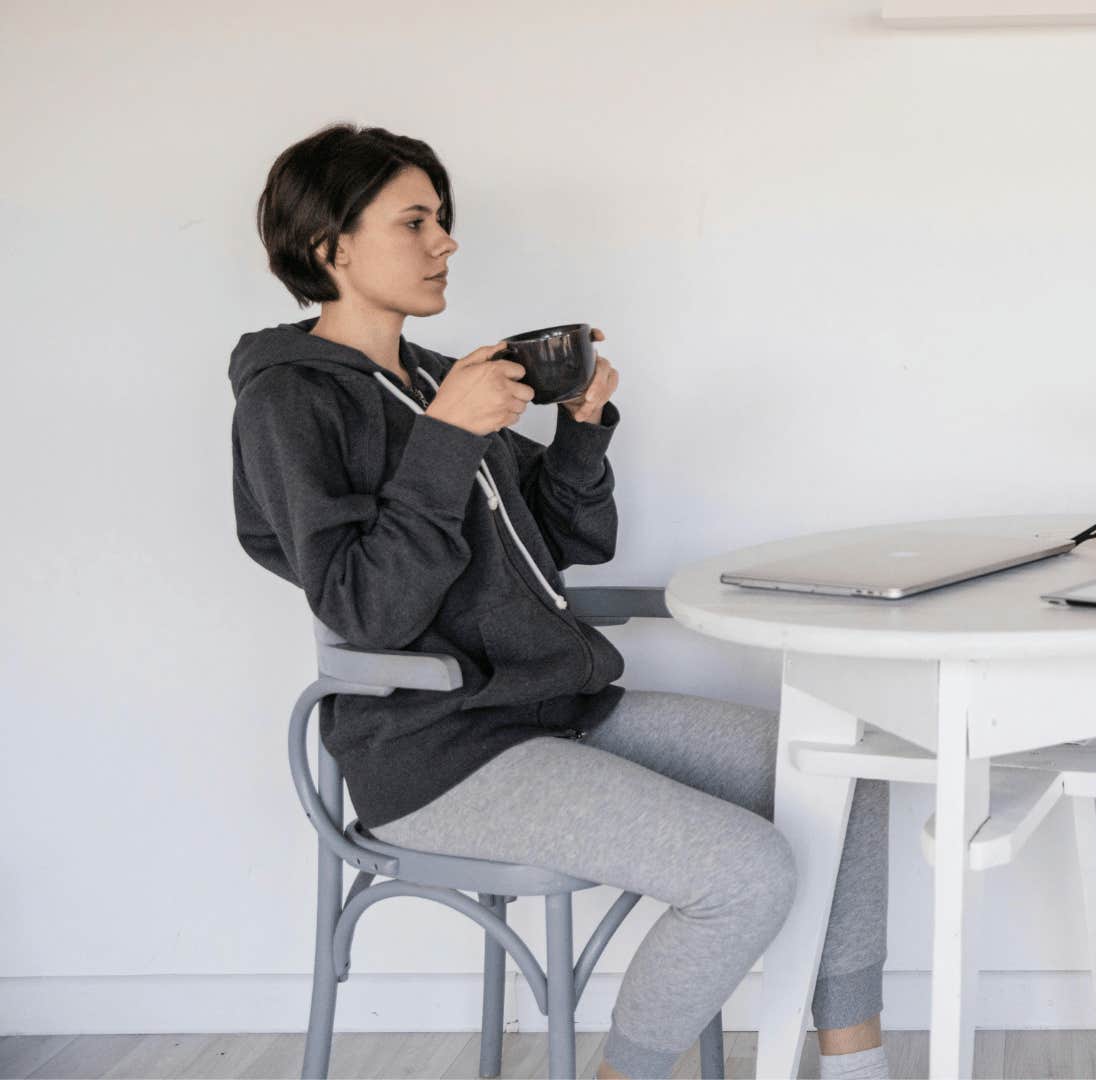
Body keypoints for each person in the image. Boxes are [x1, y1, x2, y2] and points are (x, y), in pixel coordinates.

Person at [232, 124, 892, 1080]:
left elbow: (569, 541)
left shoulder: (432, 377)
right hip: (438, 752)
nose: (444, 241)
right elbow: (363, 606)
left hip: (556, 709)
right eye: (414, 221)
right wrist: (449, 437)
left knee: (848, 779)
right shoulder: (289, 401)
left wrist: (580, 429)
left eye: (444, 220)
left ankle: (853, 1063)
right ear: (331, 246)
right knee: (746, 872)